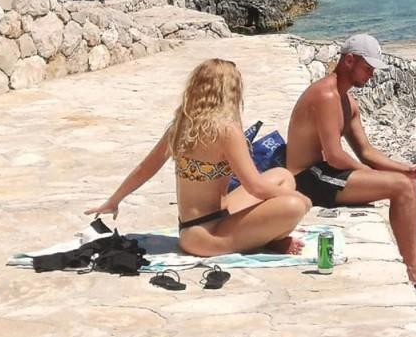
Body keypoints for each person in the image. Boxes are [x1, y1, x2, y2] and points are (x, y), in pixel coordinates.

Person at [85, 59, 311, 256]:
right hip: (206, 235)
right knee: (293, 205)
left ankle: (266, 237)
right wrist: (302, 199)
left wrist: (114, 201)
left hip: (198, 225)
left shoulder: (182, 125)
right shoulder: (227, 130)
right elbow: (255, 187)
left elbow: (146, 168)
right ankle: (266, 239)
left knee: (281, 175)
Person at [285, 34, 416, 305]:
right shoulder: (326, 94)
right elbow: (335, 157)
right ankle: (415, 270)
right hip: (307, 177)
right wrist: (375, 176)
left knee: (404, 182)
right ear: (349, 60)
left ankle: (414, 261)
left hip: (324, 172)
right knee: (401, 188)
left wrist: (404, 168)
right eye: (367, 68)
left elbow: (367, 152)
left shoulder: (348, 102)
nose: (371, 75)